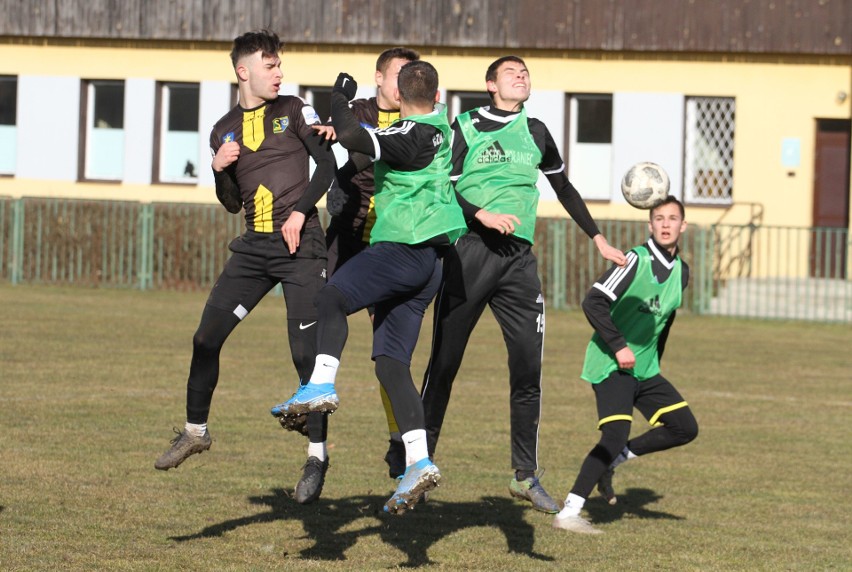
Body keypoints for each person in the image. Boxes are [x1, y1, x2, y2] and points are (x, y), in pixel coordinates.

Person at [385, 55, 627, 514]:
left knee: (527, 370)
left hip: (519, 262)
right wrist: (480, 214)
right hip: (470, 253)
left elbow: (565, 188)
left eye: (526, 73)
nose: (522, 76)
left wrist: (598, 239)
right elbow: (444, 184)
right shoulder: (465, 126)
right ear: (491, 84)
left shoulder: (536, 133)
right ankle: (413, 465)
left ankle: (524, 475)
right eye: (512, 73)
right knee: (445, 365)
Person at [270, 61, 467, 514]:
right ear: (438, 96)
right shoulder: (446, 128)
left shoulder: (409, 132)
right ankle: (417, 461)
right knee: (391, 365)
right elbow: (360, 155)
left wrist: (338, 96)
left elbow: (360, 137)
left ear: (397, 93)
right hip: (432, 263)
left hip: (401, 247)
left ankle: (320, 383)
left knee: (331, 297)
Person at [154, 30, 337, 507]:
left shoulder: (296, 110)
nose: (279, 73)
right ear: (244, 71)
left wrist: (300, 211)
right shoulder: (223, 128)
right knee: (204, 339)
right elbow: (232, 204)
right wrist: (218, 168)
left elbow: (326, 167)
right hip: (254, 249)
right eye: (270, 66)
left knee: (305, 358)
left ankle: (317, 457)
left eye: (280, 66)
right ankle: (195, 431)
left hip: (302, 246)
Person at [280, 48, 421, 481]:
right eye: (399, 75)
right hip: (347, 238)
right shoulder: (354, 112)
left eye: (411, 77)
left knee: (390, 358)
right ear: (378, 78)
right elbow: (333, 149)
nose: (405, 85)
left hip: (394, 243)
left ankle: (401, 443)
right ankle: (316, 455)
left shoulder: (419, 121)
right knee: (317, 341)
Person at [553, 195, 698, 534]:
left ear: (683, 226)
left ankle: (612, 463)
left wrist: (654, 362)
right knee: (615, 434)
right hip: (611, 363)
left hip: (644, 370)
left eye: (672, 218)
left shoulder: (682, 272)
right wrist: (618, 347)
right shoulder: (635, 260)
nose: (665, 224)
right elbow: (594, 302)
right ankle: (569, 512)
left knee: (684, 427)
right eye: (658, 218)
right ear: (650, 225)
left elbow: (664, 322)